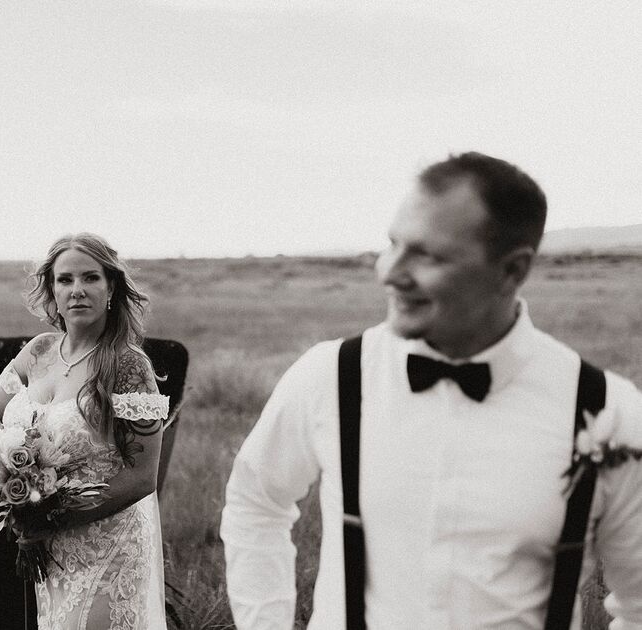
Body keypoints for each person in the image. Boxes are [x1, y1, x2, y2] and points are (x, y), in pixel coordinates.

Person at [220, 152, 642, 629]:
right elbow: (256, 503)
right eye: (393, 244)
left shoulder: (608, 412)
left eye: (428, 255)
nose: (389, 272)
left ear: (512, 270)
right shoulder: (330, 376)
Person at [0, 233, 169, 630]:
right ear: (52, 291)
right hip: (48, 548)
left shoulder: (128, 365)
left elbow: (142, 477)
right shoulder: (38, 351)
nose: (77, 289)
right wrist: (4, 463)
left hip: (107, 546)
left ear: (110, 287)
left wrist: (52, 519)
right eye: (65, 279)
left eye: (90, 277)